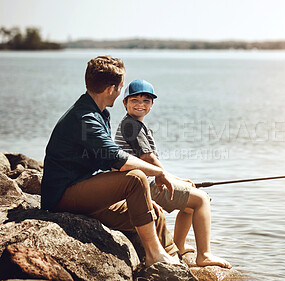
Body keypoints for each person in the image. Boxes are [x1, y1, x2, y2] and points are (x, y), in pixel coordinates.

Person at [41, 56, 180, 266]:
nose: (120, 90)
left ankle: (176, 264)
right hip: (63, 197)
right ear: (110, 89)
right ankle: (154, 255)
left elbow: (108, 162)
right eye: (121, 86)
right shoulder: (85, 118)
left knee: (154, 214)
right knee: (136, 178)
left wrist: (140, 200)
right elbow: (119, 159)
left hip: (85, 189)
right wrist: (159, 172)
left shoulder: (101, 114)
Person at [114, 79, 232, 268]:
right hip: (141, 186)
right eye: (135, 100)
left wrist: (174, 178)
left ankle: (179, 246)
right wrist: (169, 178)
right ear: (125, 103)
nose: (140, 105)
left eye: (146, 101)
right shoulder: (131, 126)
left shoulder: (133, 124)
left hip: (144, 181)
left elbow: (150, 162)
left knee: (190, 206)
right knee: (201, 200)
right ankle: (204, 255)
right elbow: (148, 158)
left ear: (152, 105)